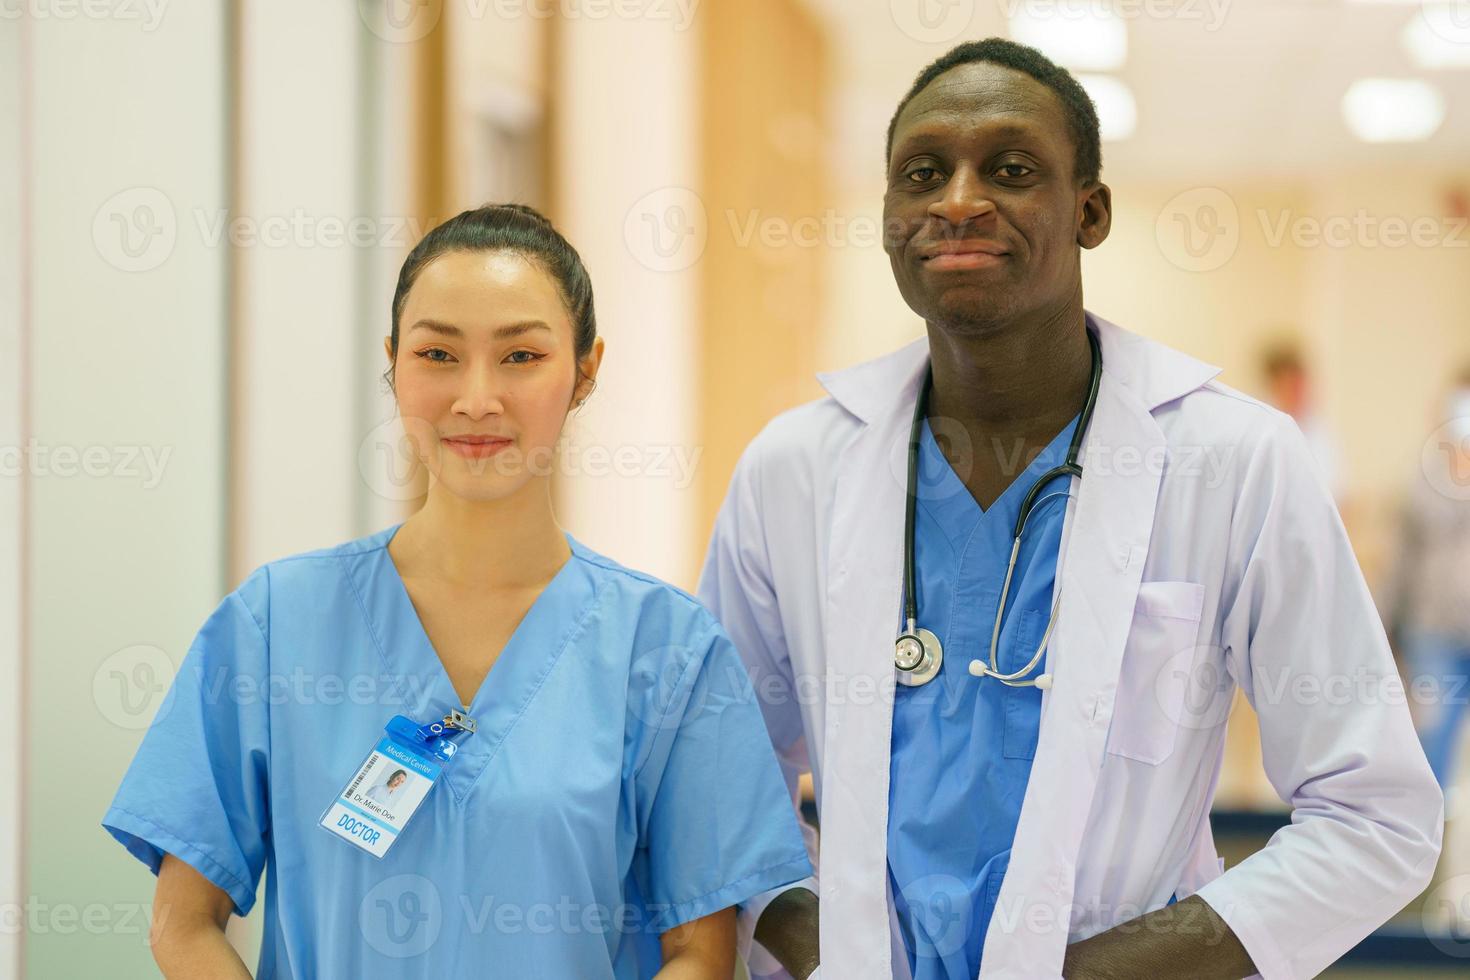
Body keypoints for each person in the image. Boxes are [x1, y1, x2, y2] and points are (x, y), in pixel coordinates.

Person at [698, 38, 1442, 980]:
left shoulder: (1232, 461)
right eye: (922, 172)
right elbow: (718, 777)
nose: (959, 200)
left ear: (1089, 212)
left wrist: (1090, 973)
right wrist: (824, 943)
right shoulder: (793, 469)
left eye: (1011, 169)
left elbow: (1376, 815)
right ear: (889, 214)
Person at [103, 204, 813, 979]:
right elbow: (182, 924)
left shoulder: (667, 651)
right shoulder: (277, 625)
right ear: (394, 362)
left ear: (585, 370)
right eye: (438, 353)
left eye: (520, 357)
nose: (476, 398)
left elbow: (698, 953)